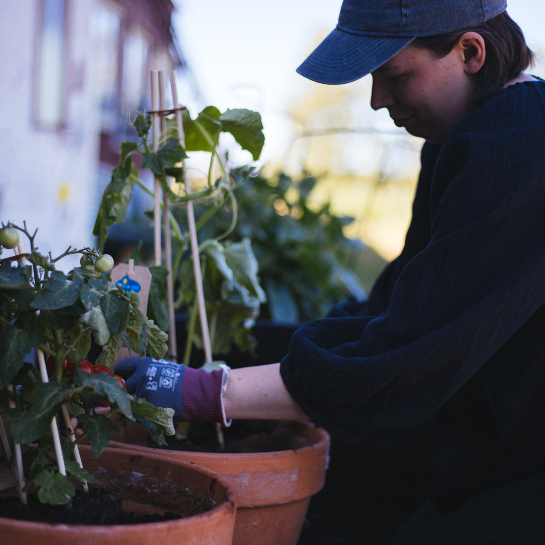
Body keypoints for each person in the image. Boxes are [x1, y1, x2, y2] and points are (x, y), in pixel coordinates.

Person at [115, 0, 545, 542]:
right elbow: (390, 311)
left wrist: (202, 391)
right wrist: (224, 361)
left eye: (394, 75)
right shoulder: (465, 139)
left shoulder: (521, 145)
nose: (377, 99)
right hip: (489, 453)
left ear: (470, 53)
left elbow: (407, 357)